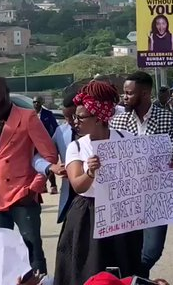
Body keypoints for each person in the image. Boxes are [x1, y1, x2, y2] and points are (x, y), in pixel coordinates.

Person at [54, 80, 143, 285]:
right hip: (88, 216)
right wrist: (91, 172)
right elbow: (78, 185)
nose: (75, 121)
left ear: (99, 117)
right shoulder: (76, 146)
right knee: (88, 268)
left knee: (123, 266)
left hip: (121, 212)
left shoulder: (126, 138)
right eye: (74, 116)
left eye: (81, 117)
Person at [0, 76, 58, 273]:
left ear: (7, 91)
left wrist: (34, 187)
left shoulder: (27, 117)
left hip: (23, 195)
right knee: (1, 250)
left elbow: (49, 154)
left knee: (32, 249)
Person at [109, 71, 173, 279]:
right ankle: (136, 280)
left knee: (152, 250)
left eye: (129, 93)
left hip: (157, 198)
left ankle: (133, 278)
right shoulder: (117, 122)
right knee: (128, 250)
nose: (124, 97)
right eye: (124, 93)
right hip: (127, 198)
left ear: (144, 93)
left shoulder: (168, 118)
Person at [32, 92, 76, 224]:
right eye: (66, 117)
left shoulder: (100, 131)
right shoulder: (61, 132)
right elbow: (38, 157)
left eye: (74, 116)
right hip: (71, 197)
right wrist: (51, 167)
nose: (71, 122)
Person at [33, 96, 59, 194]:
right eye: (34, 102)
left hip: (47, 143)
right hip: (35, 143)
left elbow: (55, 127)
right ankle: (43, 186)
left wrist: (53, 140)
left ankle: (53, 185)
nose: (36, 104)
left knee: (49, 163)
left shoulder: (48, 114)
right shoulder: (31, 115)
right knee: (38, 164)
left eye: (38, 102)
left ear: (41, 103)